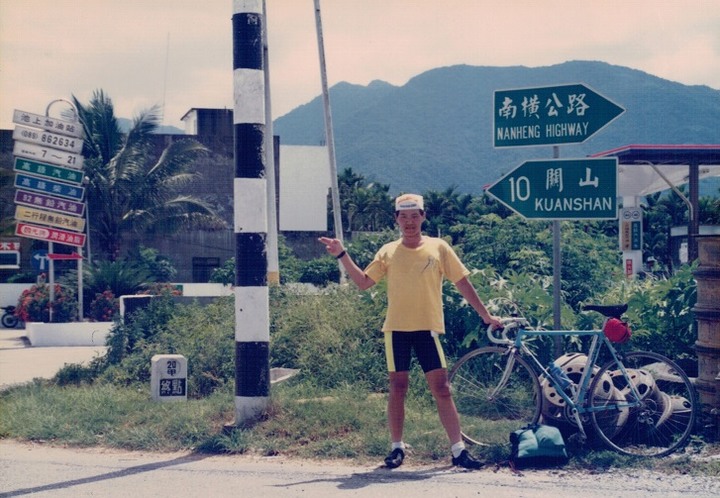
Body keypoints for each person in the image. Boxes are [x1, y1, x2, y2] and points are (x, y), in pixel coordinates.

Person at [319, 193, 503, 470]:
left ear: (423, 217)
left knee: (442, 388)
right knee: (398, 388)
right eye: (403, 216)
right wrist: (342, 254)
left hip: (427, 329)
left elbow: (462, 283)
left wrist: (486, 315)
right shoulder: (388, 251)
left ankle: (458, 451)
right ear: (396, 219)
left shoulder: (439, 247)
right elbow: (363, 282)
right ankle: (396, 448)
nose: (409, 222)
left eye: (414, 215)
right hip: (397, 331)